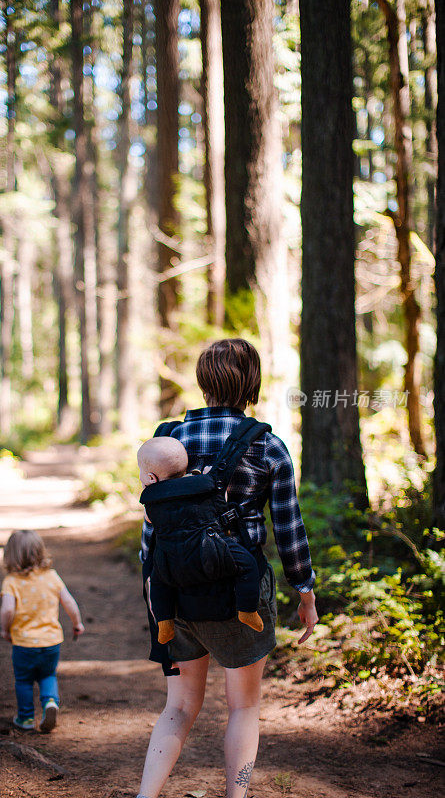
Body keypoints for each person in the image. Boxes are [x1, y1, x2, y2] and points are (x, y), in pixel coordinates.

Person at [136, 338, 318, 798]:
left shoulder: (166, 439)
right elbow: (288, 527)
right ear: (251, 384)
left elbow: (153, 523)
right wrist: (305, 591)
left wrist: (155, 591)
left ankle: (145, 795)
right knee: (243, 707)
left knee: (178, 706)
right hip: (239, 594)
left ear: (203, 383)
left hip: (174, 592)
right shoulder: (267, 446)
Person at [137, 435, 264, 645]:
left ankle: (165, 622)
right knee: (248, 564)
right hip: (213, 550)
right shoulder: (205, 485)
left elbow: (151, 521)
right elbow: (220, 503)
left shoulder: (150, 501)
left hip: (171, 560)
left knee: (158, 583)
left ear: (151, 477)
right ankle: (247, 610)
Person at [0, 529, 84, 732]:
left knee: (24, 681)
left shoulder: (11, 581)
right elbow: (70, 603)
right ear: (40, 552)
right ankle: (50, 703)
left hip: (24, 643)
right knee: (48, 676)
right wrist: (77, 623)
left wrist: (5, 630)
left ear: (10, 555)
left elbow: (8, 609)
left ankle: (26, 718)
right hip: (51, 642)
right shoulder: (52, 576)